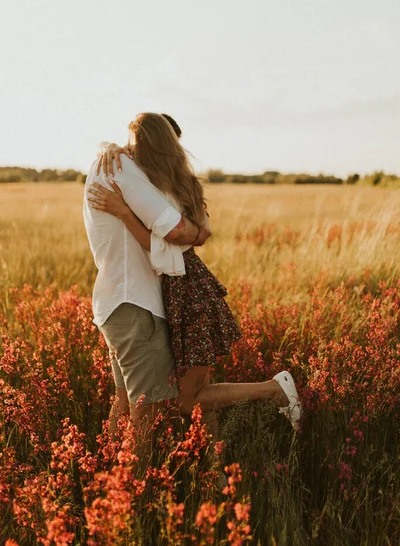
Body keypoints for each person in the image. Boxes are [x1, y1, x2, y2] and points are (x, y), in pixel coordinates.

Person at [86, 114, 302, 465]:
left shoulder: (167, 191)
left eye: (135, 146)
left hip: (188, 297)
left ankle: (274, 391)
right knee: (173, 396)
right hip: (173, 298)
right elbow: (172, 239)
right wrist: (113, 153)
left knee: (184, 399)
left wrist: (126, 213)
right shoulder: (159, 184)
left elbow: (170, 240)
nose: (130, 151)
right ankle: (212, 470)